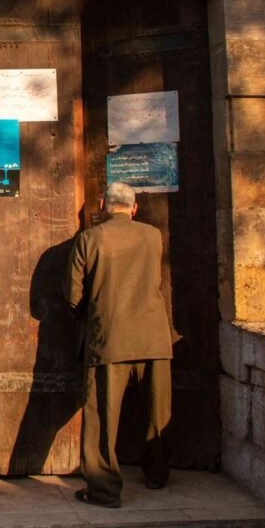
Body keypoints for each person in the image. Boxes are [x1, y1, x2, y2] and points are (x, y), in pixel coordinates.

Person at [64, 181, 178, 508]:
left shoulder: (89, 239)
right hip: (154, 337)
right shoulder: (153, 236)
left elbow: (72, 294)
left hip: (110, 337)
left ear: (102, 204)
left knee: (101, 417)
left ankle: (103, 489)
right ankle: (157, 474)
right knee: (158, 412)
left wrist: (88, 317)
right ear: (134, 208)